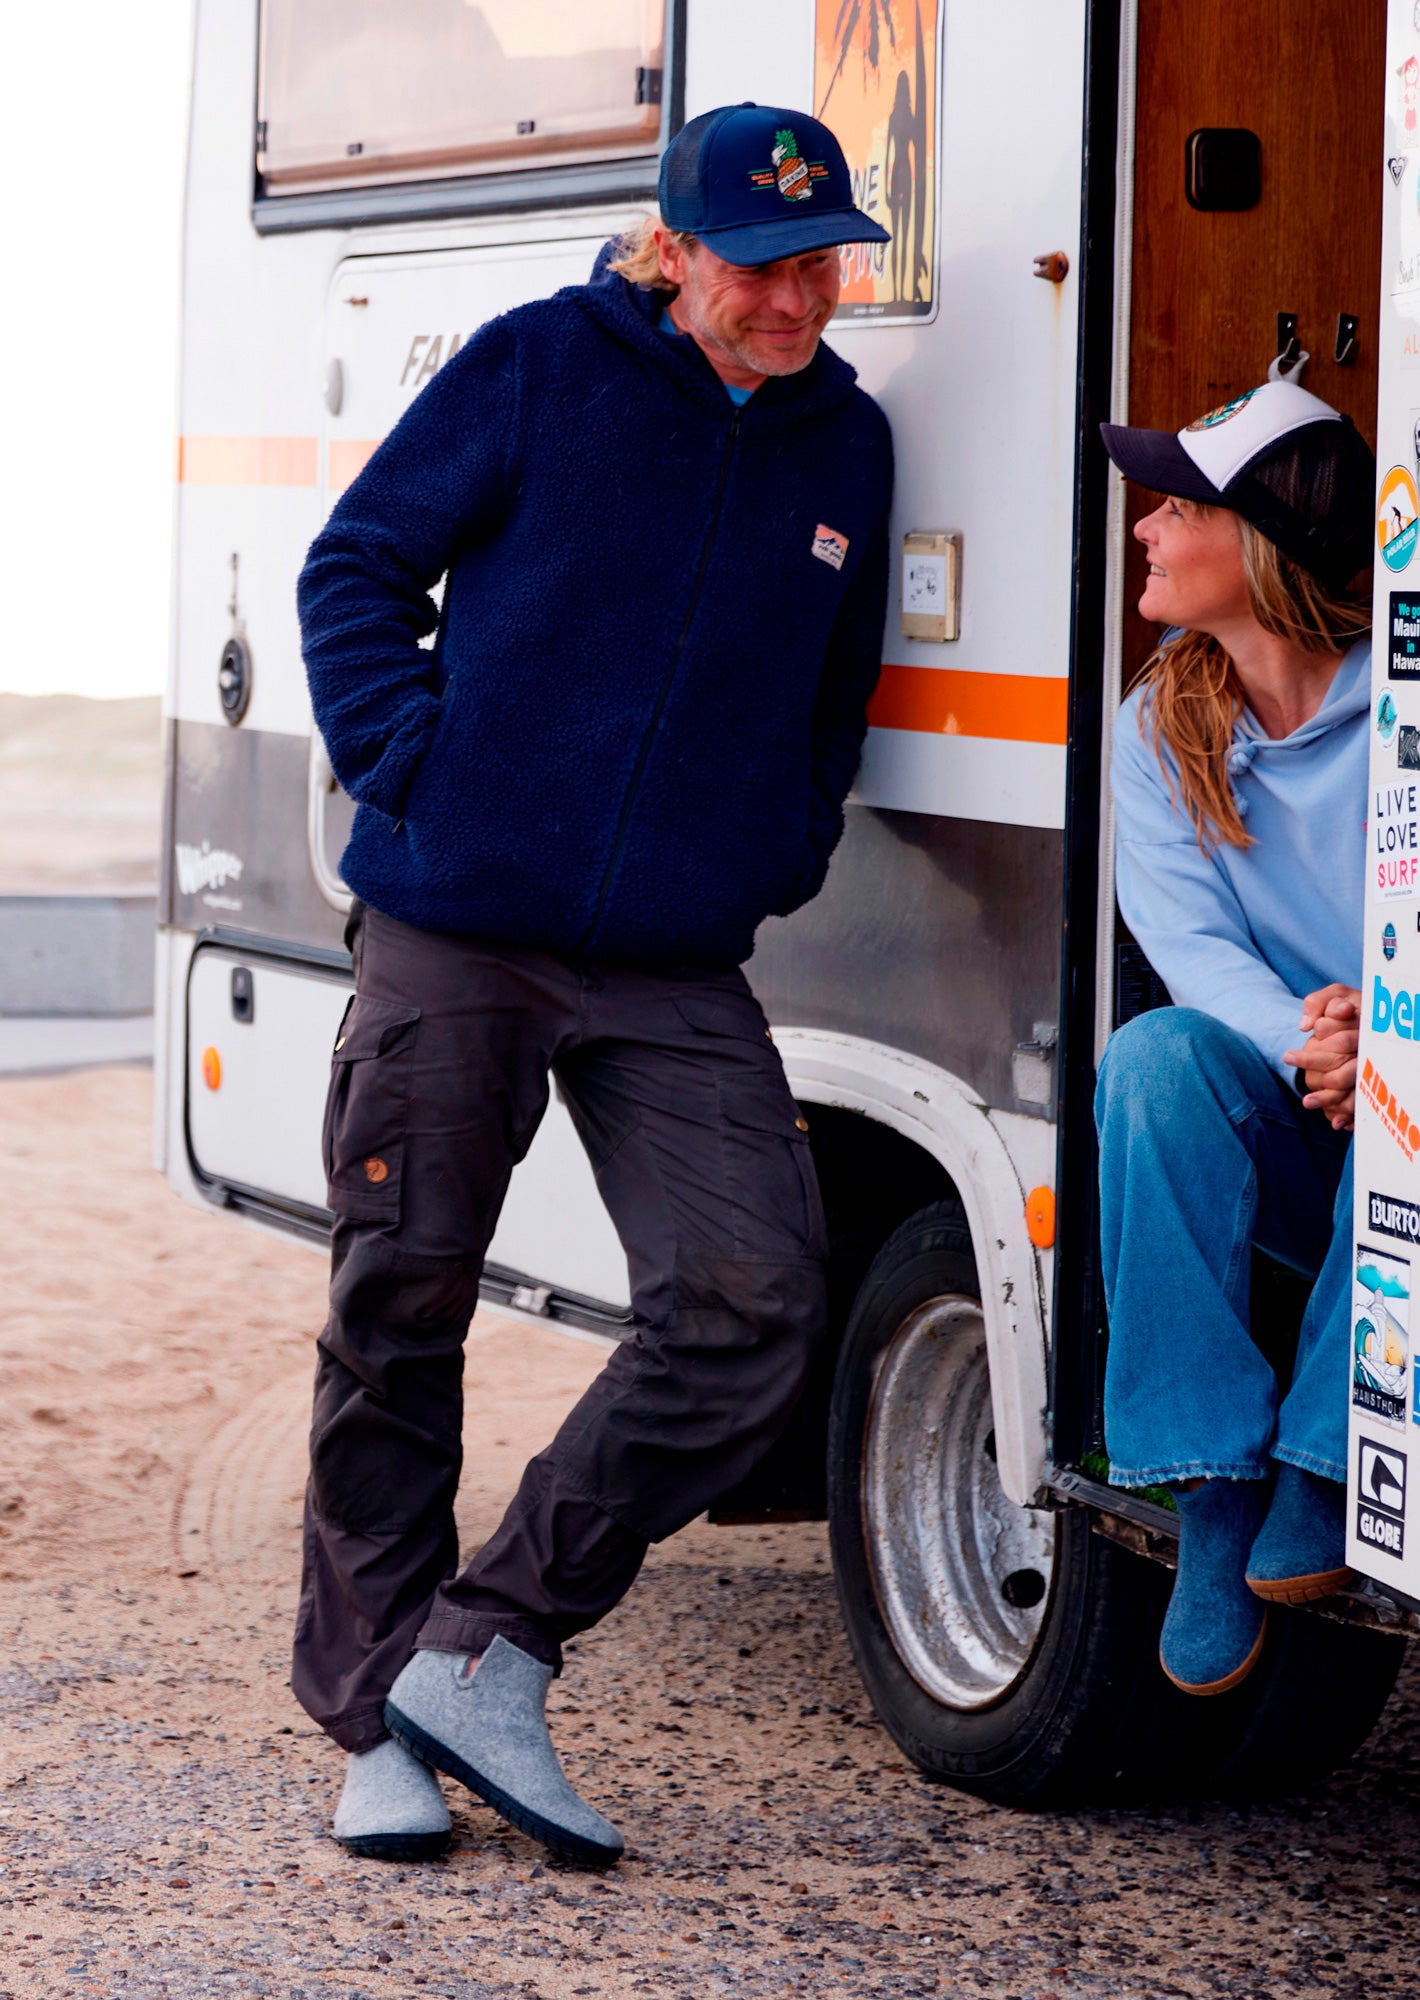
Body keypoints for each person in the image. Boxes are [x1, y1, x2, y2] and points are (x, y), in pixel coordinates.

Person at [293, 103, 893, 1866]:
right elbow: (356, 567)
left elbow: (831, 691)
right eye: (771, 268)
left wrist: (779, 844)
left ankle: (483, 1648)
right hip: (456, 922)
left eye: (827, 264)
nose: (804, 300)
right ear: (677, 249)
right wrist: (419, 762)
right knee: (400, 1307)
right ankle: (372, 1718)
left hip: (671, 957)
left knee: (754, 1298)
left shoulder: (842, 443)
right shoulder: (542, 366)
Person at [1095, 381, 1375, 1697]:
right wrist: (1313, 1044)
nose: (1146, 526)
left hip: (1408, 1084)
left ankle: (1323, 1459)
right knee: (1150, 1058)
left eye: (1177, 503)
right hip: (1301, 1096)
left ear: (1257, 540)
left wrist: (1386, 1032)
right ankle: (1213, 1487)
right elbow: (1191, 950)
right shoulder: (1163, 719)